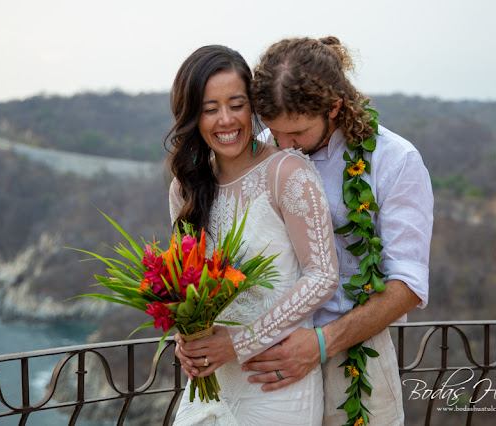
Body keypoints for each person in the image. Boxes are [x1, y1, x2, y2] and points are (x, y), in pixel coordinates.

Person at [177, 37, 434, 425]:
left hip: (356, 357)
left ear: (333, 107)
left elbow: (408, 284)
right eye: (275, 133)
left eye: (295, 134)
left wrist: (320, 343)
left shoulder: (394, 161)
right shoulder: (267, 149)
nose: (284, 144)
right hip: (265, 361)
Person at [166, 45, 339, 425]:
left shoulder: (287, 171)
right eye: (210, 109)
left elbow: (323, 275)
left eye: (236, 104)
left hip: (276, 380)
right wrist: (185, 336)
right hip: (210, 381)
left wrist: (239, 344)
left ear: (254, 107)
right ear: (193, 116)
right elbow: (188, 282)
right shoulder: (186, 187)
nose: (225, 120)